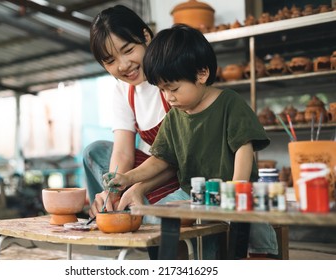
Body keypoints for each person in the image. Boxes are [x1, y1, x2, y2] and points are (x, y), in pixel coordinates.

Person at [104, 24, 278, 259]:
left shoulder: (229, 103)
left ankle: (263, 257)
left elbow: (243, 148)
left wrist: (236, 187)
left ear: (201, 74)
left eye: (173, 88)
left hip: (235, 189)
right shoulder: (175, 116)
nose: (169, 97)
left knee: (252, 225)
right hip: (193, 194)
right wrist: (127, 178)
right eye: (163, 90)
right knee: (160, 216)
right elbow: (160, 160)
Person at [84, 5, 179, 220]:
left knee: (161, 228)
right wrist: (111, 191)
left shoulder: (172, 78)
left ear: (145, 36)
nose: (124, 65)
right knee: (94, 151)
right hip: (154, 167)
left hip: (182, 170)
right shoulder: (123, 90)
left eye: (128, 51)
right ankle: (109, 218)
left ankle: (140, 207)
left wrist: (138, 187)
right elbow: (123, 153)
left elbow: (179, 158)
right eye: (110, 61)